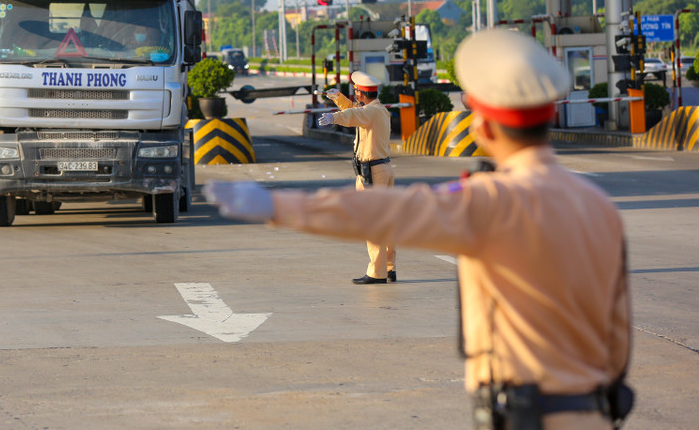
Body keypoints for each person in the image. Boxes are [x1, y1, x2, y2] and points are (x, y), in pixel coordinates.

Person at [207, 29, 633, 430]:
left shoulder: (488, 201)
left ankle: (380, 268)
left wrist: (278, 206)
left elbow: (382, 212)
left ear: (482, 126)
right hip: (594, 412)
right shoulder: (600, 207)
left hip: (527, 414)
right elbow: (618, 334)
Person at [317, 71, 396, 285]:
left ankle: (377, 272)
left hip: (373, 174)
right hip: (383, 169)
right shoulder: (378, 110)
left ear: (360, 93)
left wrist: (334, 117)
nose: (355, 95)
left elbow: (353, 115)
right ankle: (389, 267)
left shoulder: (370, 112)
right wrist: (338, 98)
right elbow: (355, 111)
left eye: (356, 92)